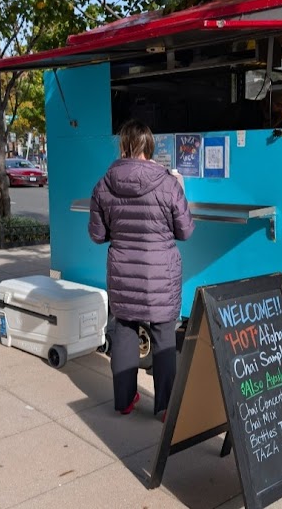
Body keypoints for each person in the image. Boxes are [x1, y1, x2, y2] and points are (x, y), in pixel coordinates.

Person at [88, 119, 195, 417]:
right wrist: (181, 192)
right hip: (161, 275)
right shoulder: (168, 183)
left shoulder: (104, 184)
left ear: (123, 146)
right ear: (149, 148)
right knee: (163, 337)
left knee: (123, 332)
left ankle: (123, 402)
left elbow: (97, 235)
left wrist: (118, 231)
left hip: (123, 272)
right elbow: (185, 232)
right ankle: (163, 408)